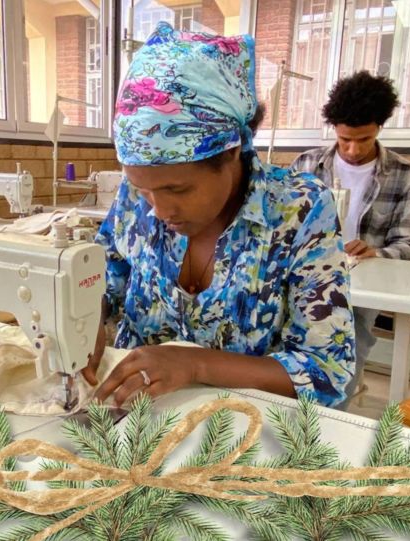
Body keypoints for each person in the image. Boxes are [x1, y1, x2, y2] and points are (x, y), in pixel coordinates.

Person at [81, 22, 355, 409]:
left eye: (177, 189)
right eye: (144, 189)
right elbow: (102, 279)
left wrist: (195, 365)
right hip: (135, 412)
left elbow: (327, 371)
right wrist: (86, 316)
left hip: (242, 429)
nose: (158, 210)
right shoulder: (133, 197)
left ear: (231, 153)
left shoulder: (300, 210)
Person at [291, 71, 410, 404]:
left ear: (380, 126)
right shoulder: (306, 165)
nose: (351, 149)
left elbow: (409, 245)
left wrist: (375, 253)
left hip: (359, 289)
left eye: (363, 139)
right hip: (305, 280)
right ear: (334, 129)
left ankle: (333, 425)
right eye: (344, 138)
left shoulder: (404, 175)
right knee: (294, 358)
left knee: (346, 362)